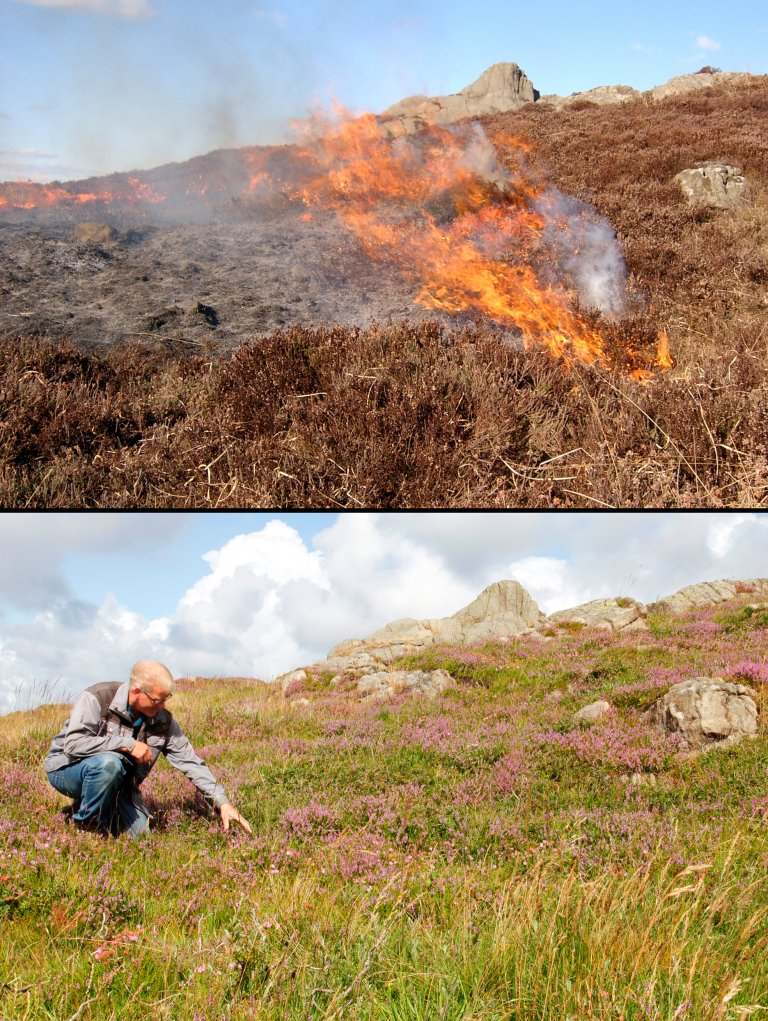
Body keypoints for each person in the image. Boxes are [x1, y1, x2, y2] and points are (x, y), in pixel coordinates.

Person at [44, 659, 252, 838]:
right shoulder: (98, 698)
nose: (162, 706)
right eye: (157, 700)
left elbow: (191, 761)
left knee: (142, 840)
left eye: (165, 699)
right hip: (66, 770)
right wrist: (127, 744)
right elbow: (73, 745)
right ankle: (88, 827)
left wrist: (222, 802)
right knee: (109, 764)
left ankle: (80, 809)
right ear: (136, 692)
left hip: (119, 787)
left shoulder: (162, 721)